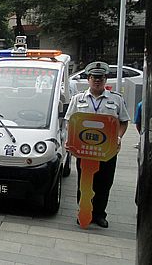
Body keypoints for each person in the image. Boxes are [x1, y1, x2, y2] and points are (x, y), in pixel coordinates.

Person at [65, 61, 129, 228]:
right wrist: (70, 141)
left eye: (101, 78)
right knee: (84, 183)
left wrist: (119, 138)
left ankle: (100, 214)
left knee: (104, 183)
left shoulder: (116, 99)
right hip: (85, 151)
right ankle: (84, 213)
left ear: (105, 80)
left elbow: (123, 122)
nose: (97, 81)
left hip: (107, 151)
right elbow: (69, 121)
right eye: (94, 77)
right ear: (89, 79)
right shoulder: (78, 99)